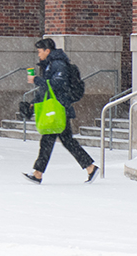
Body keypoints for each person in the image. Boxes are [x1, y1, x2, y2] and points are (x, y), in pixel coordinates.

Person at [23, 38, 99, 184]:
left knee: (49, 141)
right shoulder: (51, 64)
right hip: (57, 109)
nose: (38, 55)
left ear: (47, 50)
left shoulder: (58, 64)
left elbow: (58, 84)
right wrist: (34, 103)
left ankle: (38, 174)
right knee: (66, 141)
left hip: (58, 110)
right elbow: (47, 90)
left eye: (40, 51)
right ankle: (90, 167)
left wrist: (36, 80)